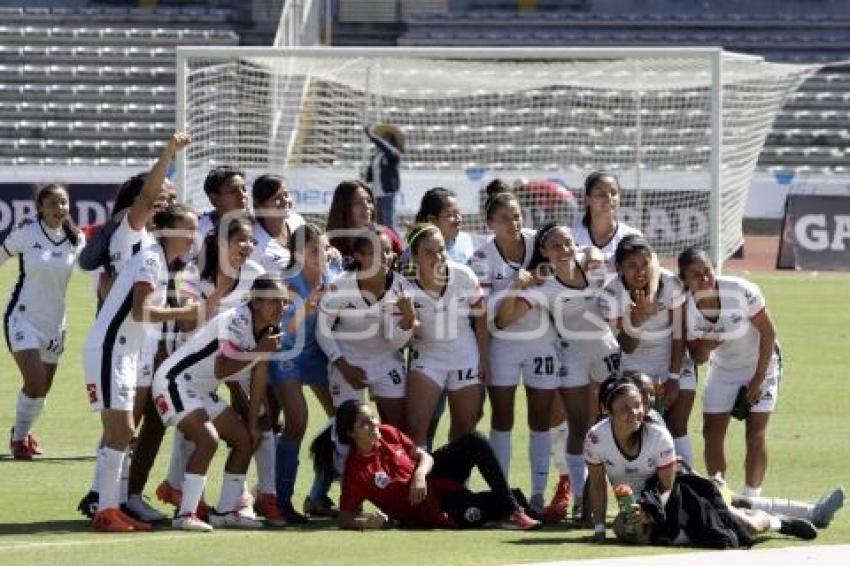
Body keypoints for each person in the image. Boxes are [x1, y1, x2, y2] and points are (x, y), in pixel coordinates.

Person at [76, 131, 189, 523]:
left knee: (128, 426)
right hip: (118, 339)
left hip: (141, 341)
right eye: (162, 196)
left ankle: (114, 498)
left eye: (172, 199)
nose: (167, 202)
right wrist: (169, 155)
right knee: (121, 425)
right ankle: (104, 502)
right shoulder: (132, 230)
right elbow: (145, 198)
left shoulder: (160, 244)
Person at [585, 378, 818, 547]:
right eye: (625, 408)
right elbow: (596, 485)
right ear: (608, 411)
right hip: (639, 507)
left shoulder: (659, 436)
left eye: (637, 405)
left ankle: (779, 522)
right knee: (625, 531)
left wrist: (649, 512)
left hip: (677, 496)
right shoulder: (596, 439)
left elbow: (667, 487)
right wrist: (599, 530)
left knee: (746, 529)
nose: (634, 412)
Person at [156, 214, 280, 526]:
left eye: (282, 302)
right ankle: (185, 514)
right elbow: (224, 368)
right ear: (255, 301)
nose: (278, 308)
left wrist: (251, 423)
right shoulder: (236, 320)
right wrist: (258, 352)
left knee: (245, 439)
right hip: (174, 381)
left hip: (200, 388)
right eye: (271, 302)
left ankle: (226, 511)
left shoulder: (268, 329)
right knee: (207, 440)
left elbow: (259, 376)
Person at [496, 222, 620, 520]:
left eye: (567, 243)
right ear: (543, 252)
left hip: (606, 350)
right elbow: (503, 320)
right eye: (555, 246)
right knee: (579, 427)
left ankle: (634, 495)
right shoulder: (544, 284)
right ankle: (581, 499)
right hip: (572, 356)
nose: (563, 250)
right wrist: (516, 287)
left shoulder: (594, 262)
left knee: (619, 422)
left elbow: (639, 260)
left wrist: (594, 252)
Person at [471, 182, 559, 515]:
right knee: (502, 418)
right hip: (502, 345)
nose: (514, 223)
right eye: (505, 218)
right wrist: (515, 287)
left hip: (542, 342)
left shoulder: (539, 241)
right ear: (490, 223)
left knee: (540, 419)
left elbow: (563, 269)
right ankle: (503, 495)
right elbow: (483, 307)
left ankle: (538, 494)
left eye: (517, 216)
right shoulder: (482, 256)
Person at [326, 400, 541, 531]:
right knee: (484, 508)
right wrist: (365, 522)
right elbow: (345, 516)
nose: (374, 424)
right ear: (350, 433)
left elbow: (425, 457)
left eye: (373, 417)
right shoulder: (357, 472)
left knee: (474, 441)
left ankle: (513, 511)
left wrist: (419, 475)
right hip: (428, 510)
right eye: (364, 422)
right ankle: (518, 506)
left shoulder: (388, 433)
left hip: (434, 478)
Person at [678, 246, 782, 497]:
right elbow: (699, 359)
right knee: (711, 432)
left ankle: (751, 497)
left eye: (707, 271)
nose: (704, 279)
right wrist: (708, 345)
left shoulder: (740, 290)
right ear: (684, 280)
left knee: (755, 432)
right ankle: (720, 493)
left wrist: (758, 379)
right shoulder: (684, 308)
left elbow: (769, 333)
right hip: (723, 368)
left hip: (762, 364)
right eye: (696, 275)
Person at [599, 235, 697, 469]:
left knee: (677, 426)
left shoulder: (670, 283)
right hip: (636, 366)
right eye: (632, 266)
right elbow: (627, 345)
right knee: (640, 428)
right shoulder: (610, 294)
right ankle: (643, 492)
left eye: (644, 264)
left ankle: (687, 484)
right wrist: (638, 319)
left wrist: (673, 378)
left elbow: (678, 333)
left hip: (674, 362)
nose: (639, 271)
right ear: (619, 267)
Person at [1, 184, 84, 459]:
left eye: (64, 203)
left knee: (42, 390)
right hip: (22, 317)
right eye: (53, 204)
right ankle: (19, 441)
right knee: (34, 381)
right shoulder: (26, 232)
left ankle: (21, 433)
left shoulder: (76, 239)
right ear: (40, 207)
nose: (60, 209)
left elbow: (95, 267)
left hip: (54, 325)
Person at [269, 223, 341, 522]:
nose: (321, 255)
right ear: (296, 254)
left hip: (318, 354)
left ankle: (318, 494)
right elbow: (283, 331)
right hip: (287, 354)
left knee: (343, 418)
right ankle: (281, 501)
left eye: (324, 249)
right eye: (314, 250)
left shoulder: (332, 277)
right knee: (297, 421)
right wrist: (307, 309)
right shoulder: (287, 283)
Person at [316, 228, 416, 429]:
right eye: (377, 253)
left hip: (386, 359)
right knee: (347, 432)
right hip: (346, 359)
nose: (385, 258)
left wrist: (409, 319)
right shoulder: (339, 287)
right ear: (358, 256)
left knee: (397, 429)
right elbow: (322, 330)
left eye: (388, 252)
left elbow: (395, 341)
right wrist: (343, 366)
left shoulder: (403, 289)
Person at [403, 224, 487, 448]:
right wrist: (409, 321)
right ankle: (421, 481)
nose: (437, 257)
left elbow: (481, 319)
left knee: (464, 428)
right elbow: (403, 336)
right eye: (428, 252)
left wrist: (484, 359)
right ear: (414, 256)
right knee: (416, 426)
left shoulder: (463, 275)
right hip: (428, 356)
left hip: (464, 353)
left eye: (441, 249)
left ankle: (456, 483)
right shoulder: (404, 286)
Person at [325, 180, 403, 264]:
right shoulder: (328, 242)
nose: (367, 207)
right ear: (343, 207)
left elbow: (406, 263)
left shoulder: (386, 235)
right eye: (358, 203)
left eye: (369, 201)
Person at [250, 174, 305, 278]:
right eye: (277, 198)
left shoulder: (297, 220)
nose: (285, 201)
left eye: (286, 195)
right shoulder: (253, 239)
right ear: (260, 205)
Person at [413, 187, 475, 265]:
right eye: (450, 214)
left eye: (458, 213)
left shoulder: (465, 240)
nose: (458, 219)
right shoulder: (416, 251)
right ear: (432, 219)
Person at [364, 123, 404, 234]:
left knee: (389, 223)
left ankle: (399, 247)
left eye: (386, 139)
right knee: (380, 225)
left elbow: (388, 149)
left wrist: (373, 137)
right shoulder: (377, 156)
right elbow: (371, 174)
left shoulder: (394, 155)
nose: (383, 141)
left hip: (387, 193)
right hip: (377, 193)